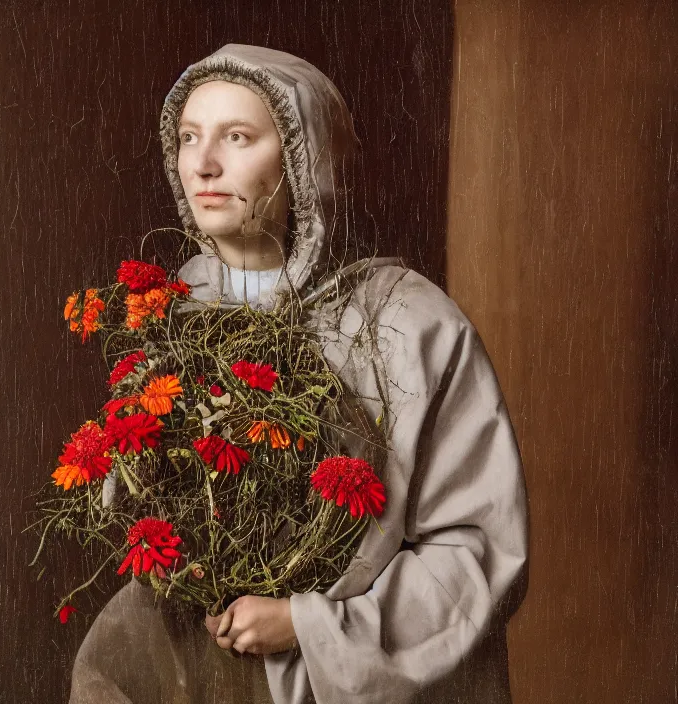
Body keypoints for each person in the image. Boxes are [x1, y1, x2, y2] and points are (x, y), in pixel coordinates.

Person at [69, 44, 528, 704]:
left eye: (238, 137)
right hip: (200, 657)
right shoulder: (176, 309)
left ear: (304, 161)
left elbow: (481, 554)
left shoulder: (412, 327)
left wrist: (308, 626)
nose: (202, 163)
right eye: (189, 137)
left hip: (347, 675)